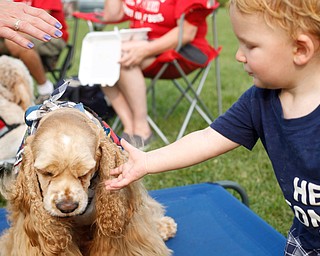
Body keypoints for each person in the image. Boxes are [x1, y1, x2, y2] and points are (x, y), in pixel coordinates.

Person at [105, 0, 320, 254]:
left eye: (250, 46)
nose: (239, 55)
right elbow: (208, 138)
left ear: (300, 49)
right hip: (306, 241)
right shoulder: (259, 101)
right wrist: (147, 161)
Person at [101, 0, 217, 149]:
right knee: (101, 56)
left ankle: (143, 130)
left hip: (182, 49)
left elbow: (187, 33)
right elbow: (111, 16)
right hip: (142, 43)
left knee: (120, 56)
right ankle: (129, 126)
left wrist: (144, 50)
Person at [0, 0, 68, 102]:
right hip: (18, 32)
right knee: (14, 40)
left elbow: (40, 20)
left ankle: (45, 89)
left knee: (16, 43)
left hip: (51, 34)